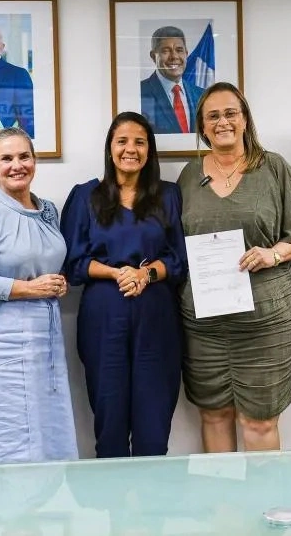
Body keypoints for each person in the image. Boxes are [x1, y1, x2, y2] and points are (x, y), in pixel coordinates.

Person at [176, 81, 291, 452]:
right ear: (202, 126)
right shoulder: (189, 177)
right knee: (213, 414)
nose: (222, 121)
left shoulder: (272, 168)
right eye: (213, 116)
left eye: (230, 113)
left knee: (259, 421)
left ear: (244, 120)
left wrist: (273, 253)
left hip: (266, 321)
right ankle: (224, 509)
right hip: (205, 324)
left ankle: (263, 506)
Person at [61, 111, 187, 458]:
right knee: (110, 418)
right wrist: (118, 273)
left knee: (154, 423)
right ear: (110, 148)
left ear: (150, 151)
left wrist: (145, 275)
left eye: (140, 142)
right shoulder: (86, 196)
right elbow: (72, 263)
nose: (130, 149)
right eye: (122, 141)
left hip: (156, 314)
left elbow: (179, 258)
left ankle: (153, 508)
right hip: (104, 313)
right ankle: (113, 508)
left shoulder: (168, 195)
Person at [0, 126, 78, 464]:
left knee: (45, 429)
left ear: (35, 160)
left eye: (24, 156)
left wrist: (57, 283)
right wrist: (30, 288)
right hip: (1, 345)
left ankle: (42, 511)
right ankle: (1, 512)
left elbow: (44, 259)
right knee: (5, 435)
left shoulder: (49, 211)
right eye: (6, 158)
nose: (16, 165)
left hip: (45, 342)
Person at [140, 26, 205, 134]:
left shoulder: (202, 94)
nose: (174, 56)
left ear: (186, 54)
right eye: (165, 51)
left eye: (179, 50)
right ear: (153, 56)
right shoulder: (141, 93)